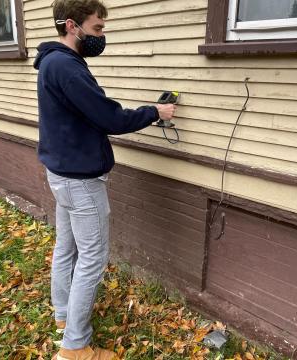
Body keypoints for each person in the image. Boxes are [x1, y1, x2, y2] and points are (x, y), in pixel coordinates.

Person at [33, 0, 175, 359]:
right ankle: (75, 348)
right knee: (92, 258)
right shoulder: (68, 68)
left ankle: (64, 317)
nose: (101, 35)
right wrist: (155, 111)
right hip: (80, 180)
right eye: (97, 29)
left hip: (61, 172)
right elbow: (110, 118)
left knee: (67, 248)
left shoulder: (51, 62)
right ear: (71, 26)